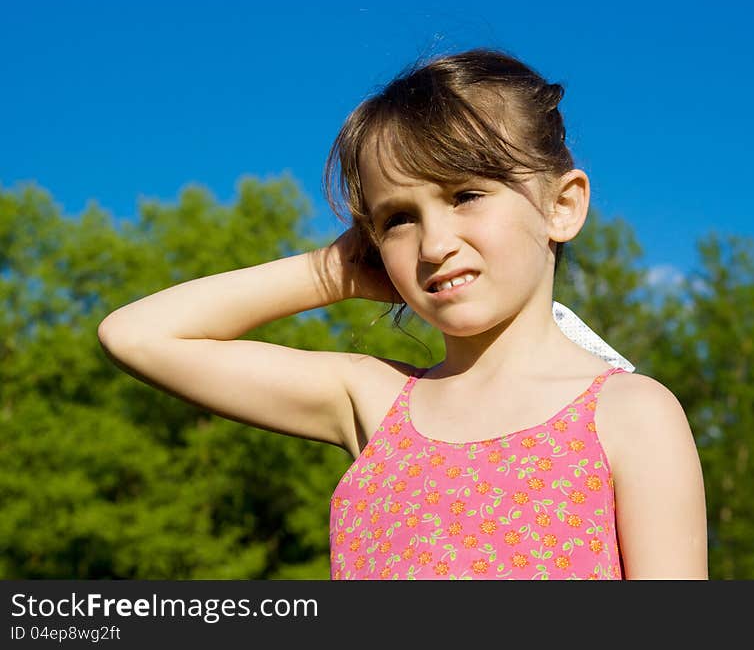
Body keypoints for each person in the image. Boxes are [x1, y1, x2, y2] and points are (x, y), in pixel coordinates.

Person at [97, 48, 707, 580]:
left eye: (465, 194)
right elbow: (136, 335)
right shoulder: (374, 402)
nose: (435, 243)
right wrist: (335, 273)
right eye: (398, 219)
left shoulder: (630, 414)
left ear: (563, 206)